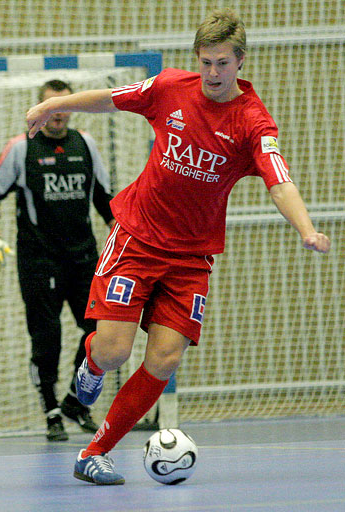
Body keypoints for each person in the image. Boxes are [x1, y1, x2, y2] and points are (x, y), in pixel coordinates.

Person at [26, 8, 331, 485]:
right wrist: (52, 106)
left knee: (165, 359)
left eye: (223, 64)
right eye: (206, 61)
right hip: (136, 239)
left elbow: (279, 182)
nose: (212, 73)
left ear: (240, 62)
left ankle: (94, 452)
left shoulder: (253, 123)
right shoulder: (169, 87)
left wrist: (306, 229)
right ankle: (91, 364)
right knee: (112, 352)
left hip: (191, 258)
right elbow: (111, 99)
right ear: (197, 58)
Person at [0, 79, 113, 442]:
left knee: (100, 332)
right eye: (51, 107)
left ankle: (75, 400)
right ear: (40, 110)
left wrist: (124, 239)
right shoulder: (21, 149)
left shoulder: (86, 144)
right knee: (47, 337)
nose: (58, 113)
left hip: (85, 258)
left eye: (64, 105)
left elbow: (104, 199)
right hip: (39, 261)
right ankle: (51, 409)